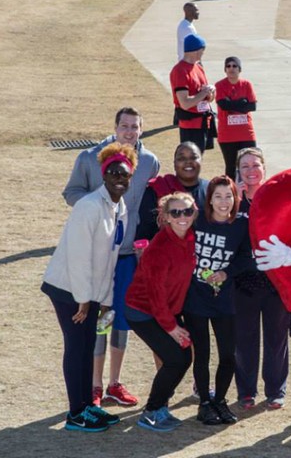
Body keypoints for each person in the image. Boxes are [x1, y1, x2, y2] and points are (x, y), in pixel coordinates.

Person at [62, 107, 159, 408]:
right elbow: (71, 193)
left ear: (142, 129)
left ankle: (115, 383)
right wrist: (97, 206)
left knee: (120, 319)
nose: (129, 132)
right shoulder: (90, 158)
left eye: (135, 127)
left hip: (129, 255)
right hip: (100, 255)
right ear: (115, 128)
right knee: (99, 320)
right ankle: (95, 385)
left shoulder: (150, 162)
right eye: (124, 126)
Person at [44, 143, 137, 432]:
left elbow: (109, 257)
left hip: (91, 292)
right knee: (77, 347)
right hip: (69, 288)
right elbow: (79, 257)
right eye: (113, 172)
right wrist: (84, 300)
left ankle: (88, 408)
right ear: (103, 175)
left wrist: (106, 299)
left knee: (86, 347)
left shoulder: (118, 206)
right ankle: (76, 414)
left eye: (124, 174)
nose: (119, 178)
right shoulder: (88, 206)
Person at [125, 192, 198, 431]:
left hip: (167, 309)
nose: (182, 217)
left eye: (187, 211)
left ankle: (159, 407)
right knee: (175, 359)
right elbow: (155, 297)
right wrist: (172, 327)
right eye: (175, 212)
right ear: (166, 217)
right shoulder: (160, 248)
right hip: (142, 311)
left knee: (183, 358)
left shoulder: (189, 238)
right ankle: (151, 412)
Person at [184, 176, 252, 425]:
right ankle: (204, 402)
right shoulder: (197, 218)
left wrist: (226, 272)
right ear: (209, 199)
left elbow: (247, 257)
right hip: (195, 297)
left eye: (229, 196)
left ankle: (220, 400)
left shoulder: (241, 224)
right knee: (201, 353)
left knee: (228, 355)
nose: (224, 202)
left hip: (224, 299)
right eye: (218, 196)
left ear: (236, 198)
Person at [233, 147, 291, 410]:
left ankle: (276, 389)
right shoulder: (231, 201)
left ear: (264, 169)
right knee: (244, 339)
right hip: (242, 283)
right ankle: (246, 391)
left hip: (275, 282)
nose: (250, 171)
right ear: (238, 171)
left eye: (255, 165)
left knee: (277, 338)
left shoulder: (277, 199)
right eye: (244, 166)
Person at [137, 142, 209, 242]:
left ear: (201, 161)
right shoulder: (157, 190)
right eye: (181, 158)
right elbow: (144, 231)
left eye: (193, 157)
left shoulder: (211, 191)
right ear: (174, 164)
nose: (188, 162)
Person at [170, 34, 215, 154]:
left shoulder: (198, 67)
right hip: (191, 125)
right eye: (202, 50)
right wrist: (204, 92)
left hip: (204, 122)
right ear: (195, 51)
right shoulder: (180, 70)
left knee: (199, 158)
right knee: (191, 159)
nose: (203, 53)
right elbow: (185, 103)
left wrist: (210, 93)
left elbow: (205, 97)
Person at [215, 56, 258, 179]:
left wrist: (232, 104)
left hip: (246, 134)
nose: (231, 68)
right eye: (228, 66)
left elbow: (252, 106)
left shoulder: (246, 84)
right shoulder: (220, 85)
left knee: (250, 165)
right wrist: (242, 102)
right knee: (231, 168)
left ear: (239, 69)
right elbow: (223, 105)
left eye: (234, 66)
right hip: (227, 135)